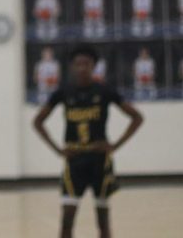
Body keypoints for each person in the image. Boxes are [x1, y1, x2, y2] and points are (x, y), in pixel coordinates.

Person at [33, 44, 143, 238]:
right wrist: (58, 150)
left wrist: (115, 145)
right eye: (78, 64)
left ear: (94, 66)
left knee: (103, 220)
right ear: (72, 67)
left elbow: (136, 117)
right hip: (74, 160)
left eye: (87, 64)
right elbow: (38, 121)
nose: (82, 68)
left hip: (99, 160)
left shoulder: (104, 91)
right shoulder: (64, 92)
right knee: (67, 219)